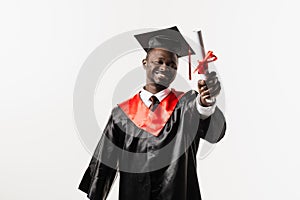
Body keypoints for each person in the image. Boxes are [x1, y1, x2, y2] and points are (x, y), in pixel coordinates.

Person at [78, 26, 226, 200]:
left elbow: (211, 128)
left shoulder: (186, 104)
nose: (165, 67)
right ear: (145, 63)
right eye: (159, 61)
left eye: (172, 65)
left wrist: (206, 102)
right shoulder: (121, 115)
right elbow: (104, 164)